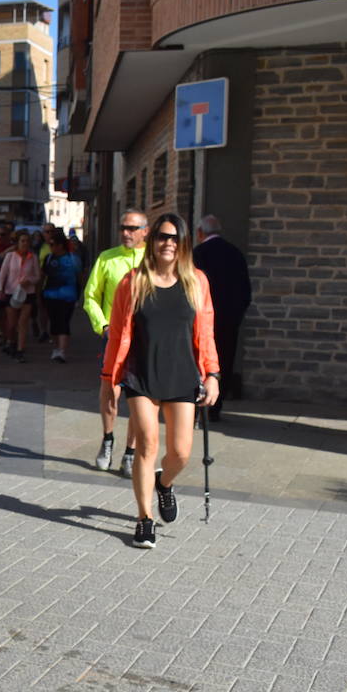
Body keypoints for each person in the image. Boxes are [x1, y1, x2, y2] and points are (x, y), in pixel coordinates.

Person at [101, 214, 219, 549]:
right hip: (141, 374)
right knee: (147, 444)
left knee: (180, 453)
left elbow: (207, 332)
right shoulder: (133, 282)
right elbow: (118, 335)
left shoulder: (197, 281)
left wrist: (212, 373)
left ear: (183, 244)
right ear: (151, 242)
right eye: (162, 237)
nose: (168, 243)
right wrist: (111, 377)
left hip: (182, 374)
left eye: (175, 238)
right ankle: (144, 518)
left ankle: (163, 484)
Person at [83, 209, 148, 477]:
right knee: (110, 393)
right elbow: (90, 297)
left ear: (145, 231)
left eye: (133, 228)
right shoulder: (106, 258)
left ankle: (130, 452)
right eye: (123, 227)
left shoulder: (153, 260)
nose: (126, 233)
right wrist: (104, 326)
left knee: (139, 399)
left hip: (144, 341)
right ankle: (108, 439)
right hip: (114, 338)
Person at [192, 213, 250, 420]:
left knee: (200, 360)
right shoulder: (235, 253)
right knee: (224, 360)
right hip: (229, 321)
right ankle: (216, 406)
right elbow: (245, 291)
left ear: (200, 233)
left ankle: (197, 405)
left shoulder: (198, 253)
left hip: (201, 321)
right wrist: (235, 317)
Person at [0, 230, 41, 363]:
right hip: (11, 292)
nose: (25, 243)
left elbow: (38, 276)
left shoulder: (33, 257)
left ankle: (20, 350)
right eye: (22, 241)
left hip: (28, 293)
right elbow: (2, 275)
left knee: (23, 322)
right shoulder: (10, 256)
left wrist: (30, 281)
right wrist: (0, 290)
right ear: (17, 243)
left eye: (27, 241)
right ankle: (11, 342)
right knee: (11, 323)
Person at [42, 232, 83, 362]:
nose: (51, 247)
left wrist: (79, 294)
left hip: (68, 296)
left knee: (64, 322)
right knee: (54, 324)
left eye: (53, 244)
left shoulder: (73, 259)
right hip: (50, 295)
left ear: (60, 245)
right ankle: (56, 348)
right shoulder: (48, 258)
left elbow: (80, 276)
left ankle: (62, 351)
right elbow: (43, 276)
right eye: (50, 244)